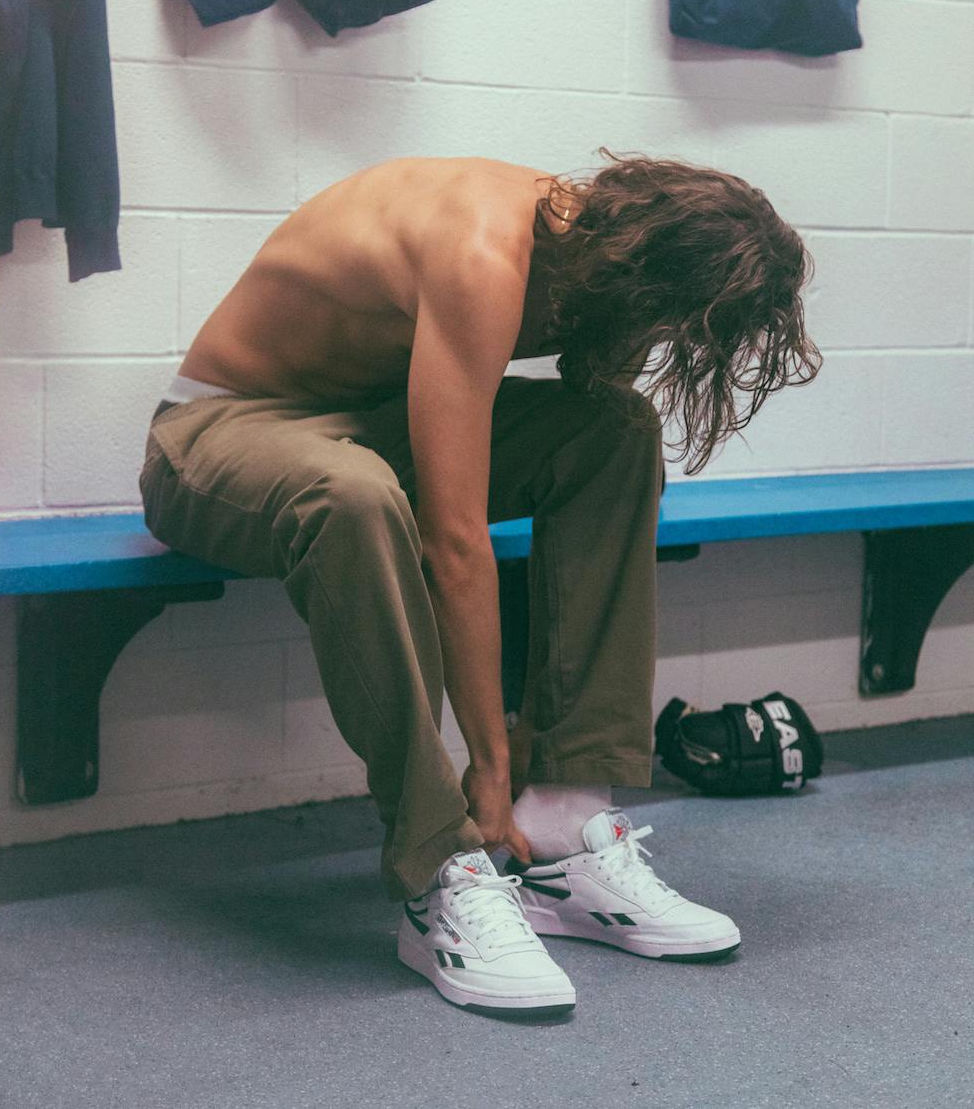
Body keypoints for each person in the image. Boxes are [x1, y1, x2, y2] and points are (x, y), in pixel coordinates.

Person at [138, 149, 821, 1019]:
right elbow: (453, 541)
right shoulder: (483, 252)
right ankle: (440, 863)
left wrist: (540, 741)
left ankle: (567, 819)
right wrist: (490, 764)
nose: (675, 342)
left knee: (613, 432)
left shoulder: (607, 265)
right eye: (683, 323)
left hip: (370, 424)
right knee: (353, 496)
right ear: (652, 275)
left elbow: (577, 424)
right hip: (221, 431)